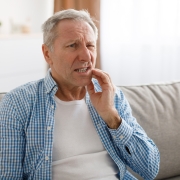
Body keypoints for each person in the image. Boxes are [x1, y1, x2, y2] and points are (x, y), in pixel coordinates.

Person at [0, 9, 160, 180]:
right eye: (72, 45)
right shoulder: (17, 103)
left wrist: (111, 116)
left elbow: (150, 169)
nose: (86, 56)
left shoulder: (112, 96)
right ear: (48, 54)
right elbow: (9, 175)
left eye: (90, 45)